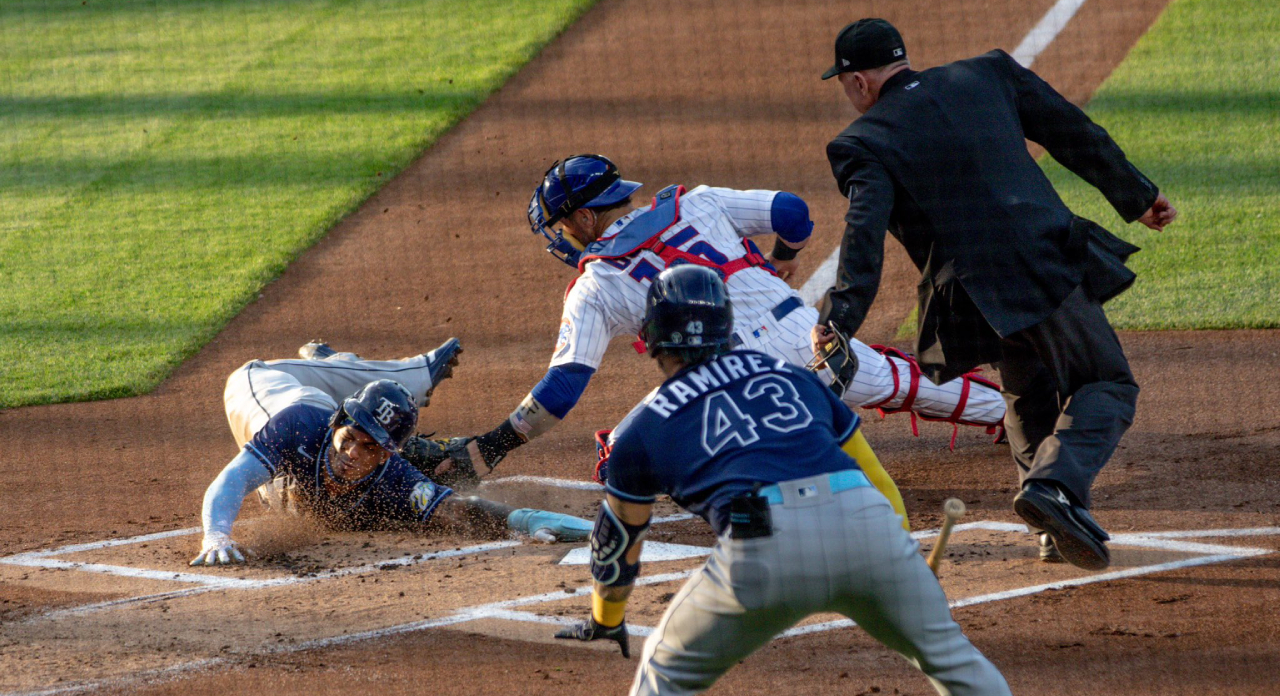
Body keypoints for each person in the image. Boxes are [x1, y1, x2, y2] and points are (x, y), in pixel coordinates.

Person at [438, 154, 1010, 525]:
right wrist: (782, 261)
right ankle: (1018, 413)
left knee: (619, 455)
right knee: (900, 383)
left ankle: (756, 491)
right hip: (814, 345)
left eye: (563, 225)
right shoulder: (694, 202)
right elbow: (792, 212)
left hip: (730, 387)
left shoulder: (597, 283)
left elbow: (562, 388)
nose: (562, 238)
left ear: (586, 219)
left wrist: (490, 446)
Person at [816, 18, 1178, 569]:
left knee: (1025, 391)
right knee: (1105, 381)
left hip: (967, 296)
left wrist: (838, 317)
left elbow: (862, 232)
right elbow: (1071, 131)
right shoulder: (988, 74)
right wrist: (1137, 195)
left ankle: (1052, 527)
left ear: (858, 81)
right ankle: (1054, 490)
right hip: (1039, 261)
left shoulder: (861, 142)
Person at [553, 266, 1011, 696]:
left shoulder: (642, 431)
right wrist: (901, 551)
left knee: (663, 670)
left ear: (651, 337)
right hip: (866, 523)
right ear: (725, 323)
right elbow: (875, 479)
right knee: (954, 662)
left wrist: (606, 617)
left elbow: (616, 541)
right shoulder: (793, 377)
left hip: (765, 543)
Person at [189, 341, 591, 566]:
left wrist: (523, 519)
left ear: (386, 456)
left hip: (354, 424)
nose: (350, 452)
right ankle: (405, 370)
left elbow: (456, 509)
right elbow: (233, 479)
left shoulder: (395, 474)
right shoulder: (296, 427)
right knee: (250, 375)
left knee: (434, 468)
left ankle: (340, 366)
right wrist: (216, 535)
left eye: (369, 448)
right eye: (348, 437)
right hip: (265, 389)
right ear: (338, 424)